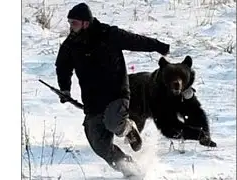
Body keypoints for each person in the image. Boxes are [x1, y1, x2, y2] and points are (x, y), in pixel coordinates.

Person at [55, 2, 170, 177]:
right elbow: (63, 66)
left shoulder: (108, 34)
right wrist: (65, 89)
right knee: (99, 145)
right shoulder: (71, 44)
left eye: (74, 23)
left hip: (117, 95)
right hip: (93, 103)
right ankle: (131, 170)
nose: (71, 26)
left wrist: (158, 46)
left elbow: (135, 40)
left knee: (113, 120)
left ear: (86, 22)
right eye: (70, 22)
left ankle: (128, 128)